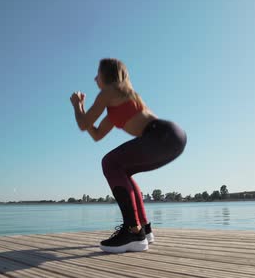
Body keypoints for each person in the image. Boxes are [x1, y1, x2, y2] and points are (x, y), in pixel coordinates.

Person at [70, 58, 187, 253]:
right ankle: (144, 229)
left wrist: (77, 105)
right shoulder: (117, 100)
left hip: (160, 135)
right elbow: (96, 134)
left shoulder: (109, 91)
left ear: (107, 75)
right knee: (121, 169)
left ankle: (133, 232)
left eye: (97, 75)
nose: (94, 78)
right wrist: (82, 112)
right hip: (171, 137)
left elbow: (82, 123)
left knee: (110, 162)